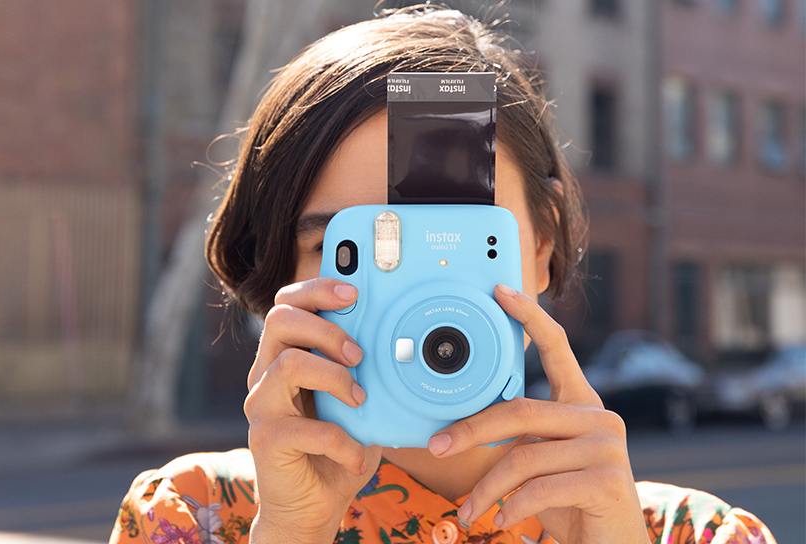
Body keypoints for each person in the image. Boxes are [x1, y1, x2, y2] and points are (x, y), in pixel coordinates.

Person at [110, 6, 777, 544]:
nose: (419, 300)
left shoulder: (700, 536)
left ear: (541, 244)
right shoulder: (191, 517)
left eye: (456, 244)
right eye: (349, 251)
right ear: (282, 273)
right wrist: (289, 535)